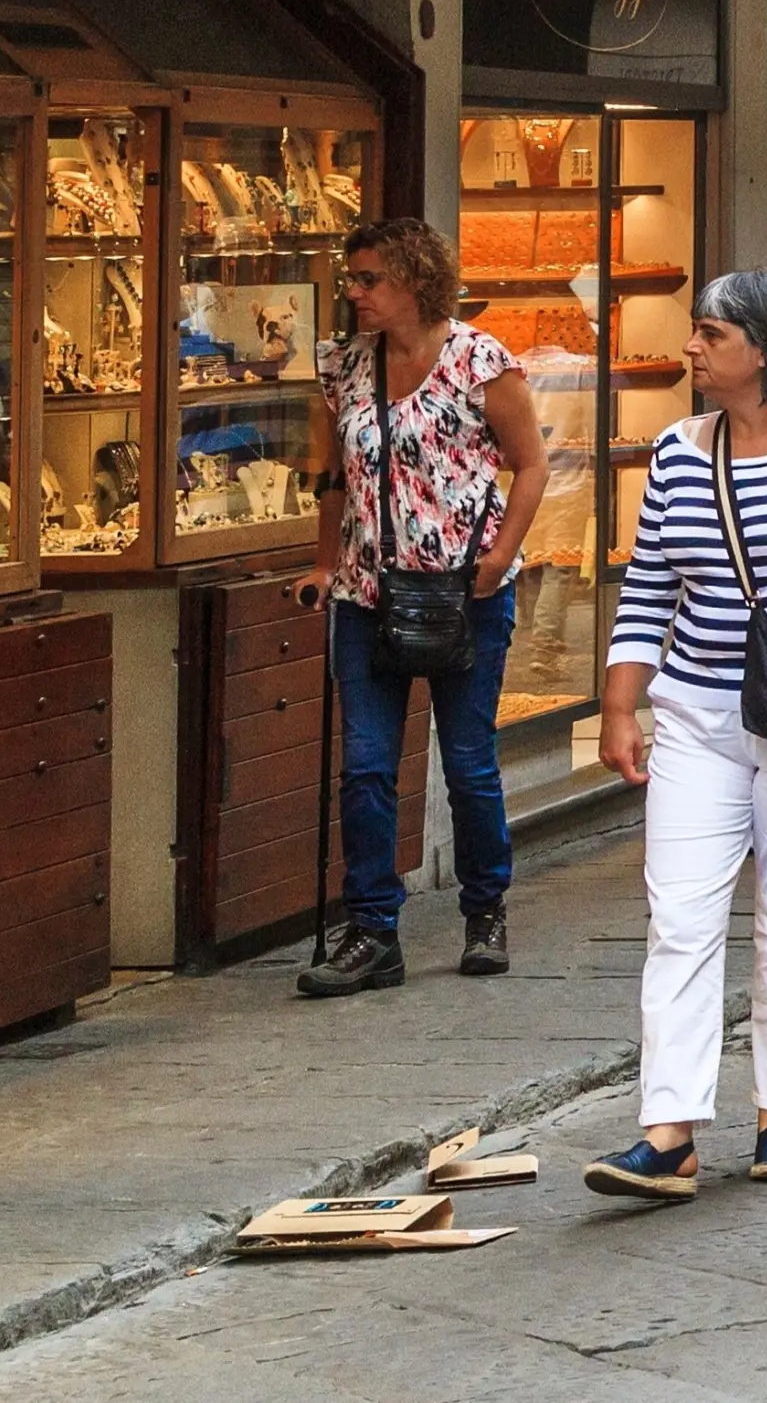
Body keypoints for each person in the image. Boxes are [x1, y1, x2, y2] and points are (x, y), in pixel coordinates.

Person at [589, 270, 767, 1199]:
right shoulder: (677, 451)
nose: (690, 348)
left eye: (709, 333)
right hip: (699, 714)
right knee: (682, 918)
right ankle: (669, 1130)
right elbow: (650, 588)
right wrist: (622, 705)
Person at [297, 214, 552, 997]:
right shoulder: (342, 365)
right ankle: (373, 930)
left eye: (369, 279)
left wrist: (500, 556)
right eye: (352, 279)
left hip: (461, 593)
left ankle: (486, 909)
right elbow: (331, 476)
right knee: (366, 767)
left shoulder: (479, 360)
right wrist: (321, 562)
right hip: (368, 594)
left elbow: (531, 464)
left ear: (414, 278)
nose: (355, 293)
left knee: (469, 762)